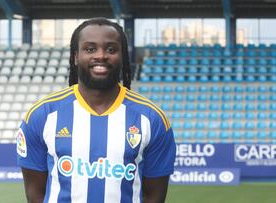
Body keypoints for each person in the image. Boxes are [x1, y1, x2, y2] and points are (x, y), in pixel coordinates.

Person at [17, 17, 176, 203]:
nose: (101, 55)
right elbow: (35, 194)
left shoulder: (152, 118)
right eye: (90, 49)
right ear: (76, 56)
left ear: (122, 56)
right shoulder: (42, 115)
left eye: (110, 49)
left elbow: (154, 196)